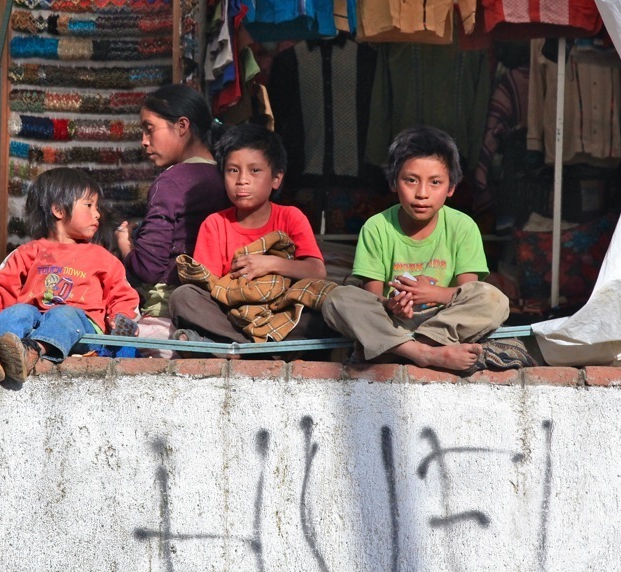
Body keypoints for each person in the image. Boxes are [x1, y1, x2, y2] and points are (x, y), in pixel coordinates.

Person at [321, 125, 530, 372]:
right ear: (393, 182)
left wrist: (430, 293)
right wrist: (391, 304)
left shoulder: (462, 226)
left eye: (435, 183)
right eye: (411, 180)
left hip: (446, 323)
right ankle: (423, 353)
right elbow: (371, 296)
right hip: (392, 322)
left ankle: (405, 348)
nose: (422, 194)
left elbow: (468, 291)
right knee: (336, 299)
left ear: (451, 188)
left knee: (494, 299)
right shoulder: (376, 227)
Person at [0, 168, 140, 383]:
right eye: (89, 205)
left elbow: (122, 295)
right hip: (35, 324)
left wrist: (120, 319)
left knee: (64, 314)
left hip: (82, 331)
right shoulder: (28, 252)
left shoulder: (102, 257)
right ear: (58, 209)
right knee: (21, 310)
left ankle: (32, 352)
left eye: (97, 207)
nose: (97, 214)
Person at [169, 123, 331, 343]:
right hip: (232, 316)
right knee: (184, 297)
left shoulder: (291, 217)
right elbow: (206, 287)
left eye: (255, 170)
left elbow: (317, 271)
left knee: (326, 306)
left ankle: (230, 348)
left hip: (281, 314)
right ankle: (257, 349)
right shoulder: (215, 224)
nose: (242, 180)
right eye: (233, 170)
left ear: (277, 178)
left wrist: (270, 264)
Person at [116, 85, 229, 325]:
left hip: (168, 312)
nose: (143, 142)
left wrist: (125, 243)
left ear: (182, 126)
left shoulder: (171, 182)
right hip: (219, 309)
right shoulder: (228, 177)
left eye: (149, 129)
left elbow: (148, 268)